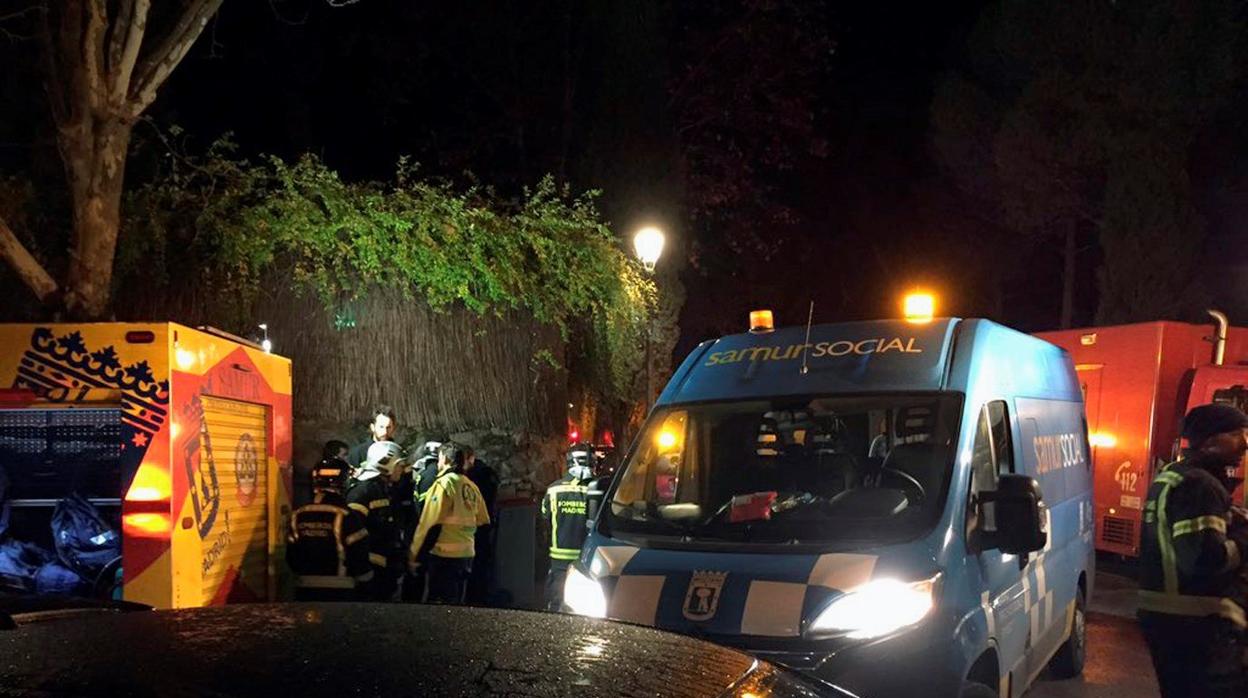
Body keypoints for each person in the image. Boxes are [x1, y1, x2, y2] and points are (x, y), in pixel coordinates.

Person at [1138, 403, 1248, 697]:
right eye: (1236, 434)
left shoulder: (1172, 475)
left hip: (1168, 617)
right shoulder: (1200, 485)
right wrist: (1243, 538)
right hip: (1196, 623)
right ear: (1210, 441)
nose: (1245, 443)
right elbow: (1207, 560)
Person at [408, 442, 490, 604]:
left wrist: (415, 555)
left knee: (439, 607)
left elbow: (429, 523)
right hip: (466, 555)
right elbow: (483, 522)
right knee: (456, 605)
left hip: (443, 556)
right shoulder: (471, 486)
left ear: (444, 459)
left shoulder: (444, 484)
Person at [286, 457, 373, 601]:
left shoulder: (298, 515)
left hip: (305, 591)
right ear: (344, 482)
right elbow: (359, 556)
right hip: (341, 592)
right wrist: (366, 585)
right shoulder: (347, 516)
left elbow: (291, 556)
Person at [346, 441, 408, 601]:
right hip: (371, 574)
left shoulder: (384, 490)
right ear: (386, 464)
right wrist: (365, 572)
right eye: (399, 465)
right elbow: (353, 532)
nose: (402, 469)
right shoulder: (362, 492)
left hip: (385, 570)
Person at [541, 443, 594, 611]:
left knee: (557, 605)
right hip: (587, 558)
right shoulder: (597, 490)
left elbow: (544, 516)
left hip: (559, 560)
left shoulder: (553, 489)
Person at [464, 445, 500, 604]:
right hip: (484, 527)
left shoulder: (470, 477)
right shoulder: (487, 473)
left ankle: (473, 599)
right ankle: (480, 598)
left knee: (475, 566)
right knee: (482, 564)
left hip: (472, 529)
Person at [295, 440, 349, 508]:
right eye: (344, 455)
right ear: (335, 455)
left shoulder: (318, 466)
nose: (346, 458)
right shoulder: (341, 465)